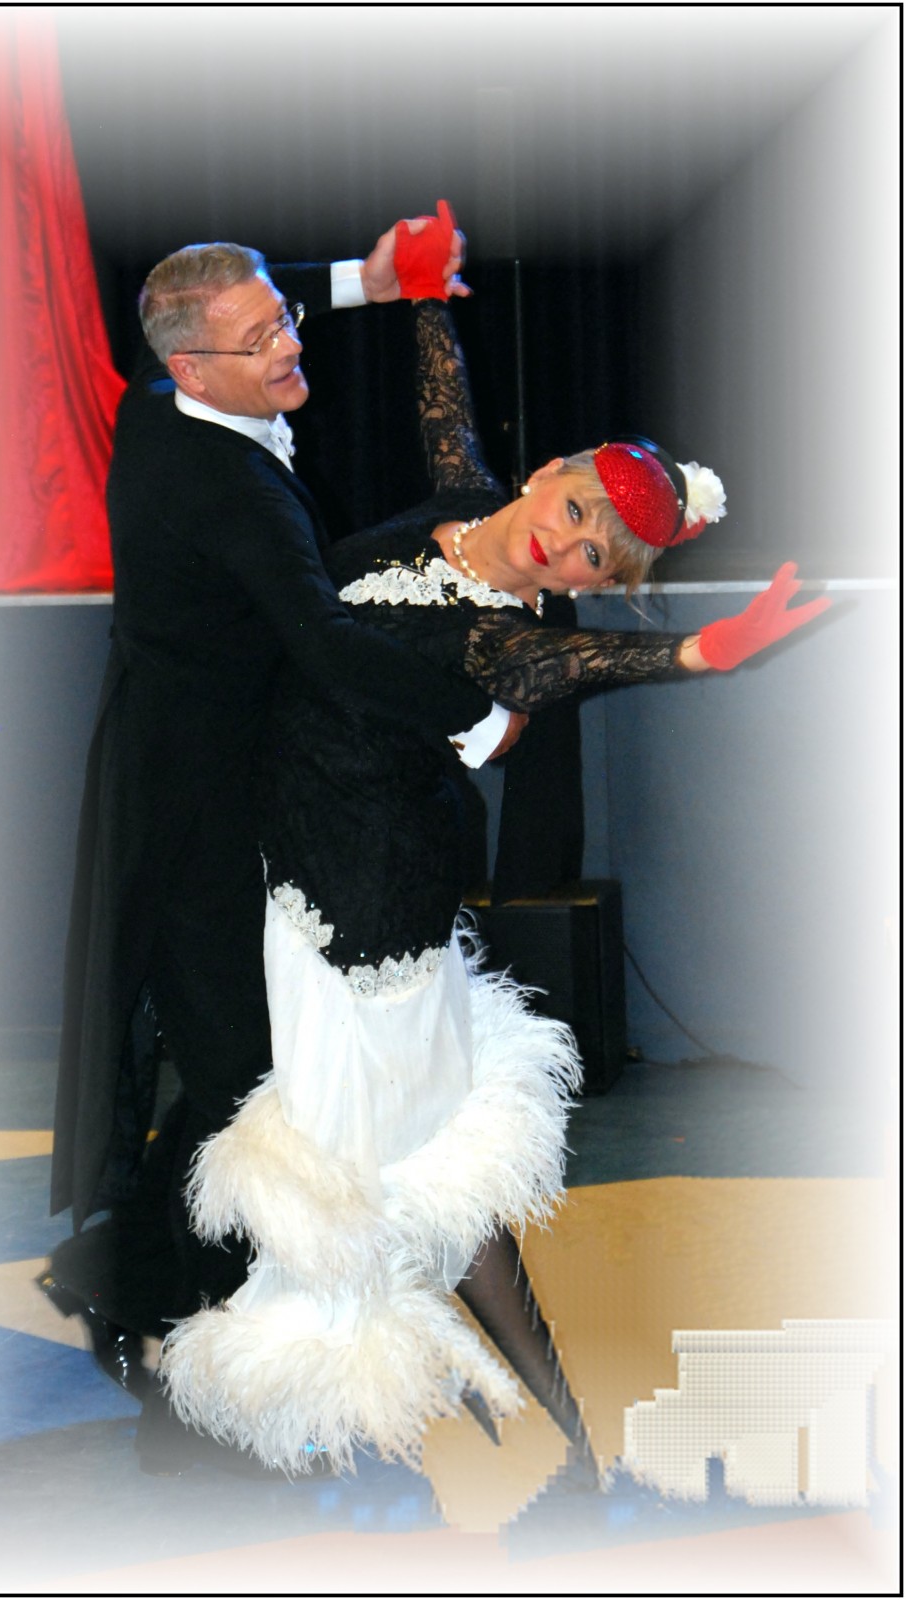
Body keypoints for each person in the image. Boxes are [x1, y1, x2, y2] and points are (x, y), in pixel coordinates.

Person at [159, 213, 830, 1479]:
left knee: (376, 1157)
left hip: (363, 907)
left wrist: (699, 652)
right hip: (301, 865)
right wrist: (423, 295)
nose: (560, 542)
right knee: (384, 1155)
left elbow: (586, 664)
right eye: (571, 506)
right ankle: (544, 1420)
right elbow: (445, 403)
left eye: (592, 554)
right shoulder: (470, 499)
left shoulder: (512, 639)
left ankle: (436, 1415)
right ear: (547, 472)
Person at [40, 214, 521, 1414]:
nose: (290, 346)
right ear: (195, 369)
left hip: (222, 777)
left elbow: (220, 296)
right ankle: (167, 1312)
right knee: (240, 1079)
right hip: (194, 820)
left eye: (285, 322)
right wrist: (475, 718)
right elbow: (326, 640)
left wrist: (369, 279)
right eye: (260, 342)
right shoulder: (227, 490)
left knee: (253, 1074)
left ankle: (172, 1285)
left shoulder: (159, 394)